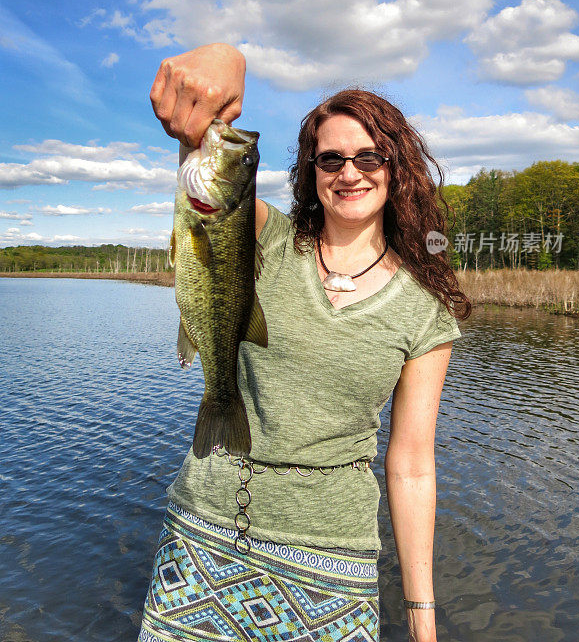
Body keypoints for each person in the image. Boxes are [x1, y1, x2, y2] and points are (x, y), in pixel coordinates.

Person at [138, 43, 471, 642]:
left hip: (333, 566)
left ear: (397, 170)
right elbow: (209, 176)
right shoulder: (267, 240)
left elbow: (414, 465)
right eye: (330, 159)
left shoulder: (427, 309)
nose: (349, 172)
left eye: (370, 157)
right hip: (206, 534)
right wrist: (226, 60)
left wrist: (422, 617)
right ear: (309, 171)